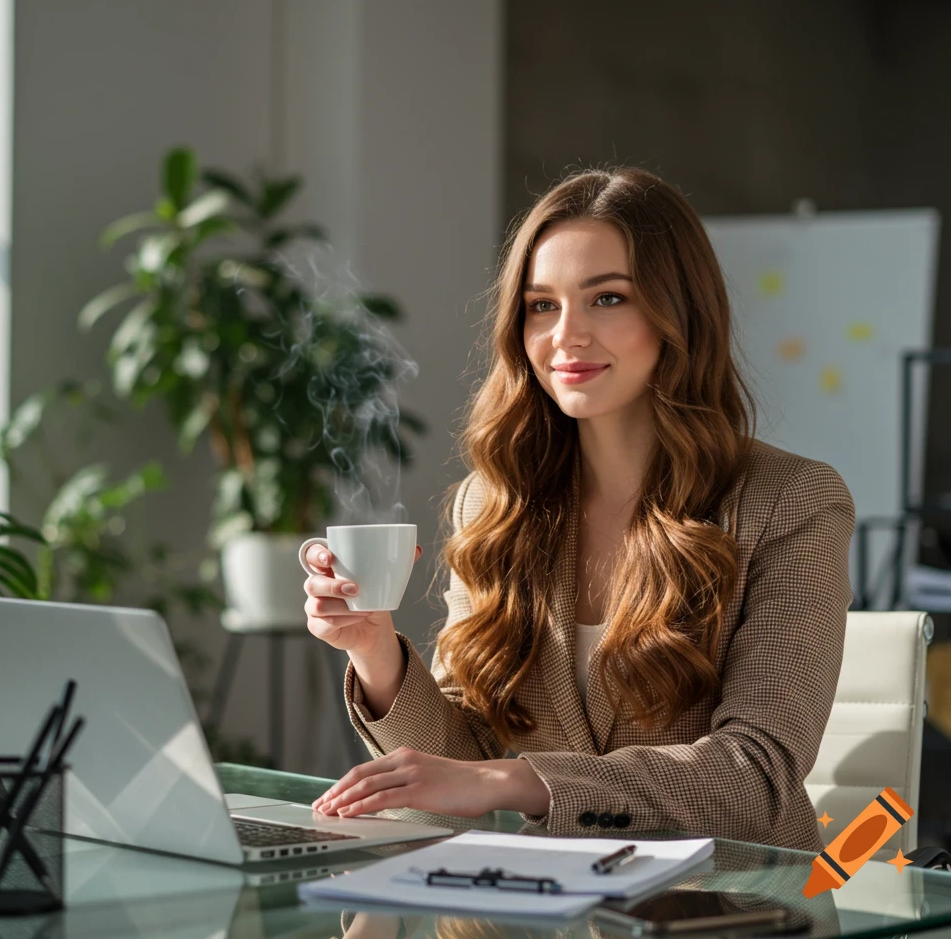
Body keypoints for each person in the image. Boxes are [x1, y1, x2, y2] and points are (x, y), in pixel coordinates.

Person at [300, 167, 855, 852]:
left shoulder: (790, 502)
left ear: (679, 315)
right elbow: (459, 764)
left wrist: (520, 783)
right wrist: (374, 648)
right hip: (535, 908)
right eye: (541, 305)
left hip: (724, 909)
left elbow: (756, 775)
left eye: (608, 299)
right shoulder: (496, 503)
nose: (567, 336)